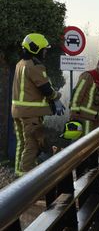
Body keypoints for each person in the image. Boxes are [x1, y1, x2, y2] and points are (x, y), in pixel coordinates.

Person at [10, 33, 63, 176]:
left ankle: (18, 173)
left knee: (22, 143)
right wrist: (57, 97)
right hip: (31, 114)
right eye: (44, 49)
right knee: (32, 145)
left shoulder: (20, 64)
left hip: (18, 112)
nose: (45, 51)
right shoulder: (35, 66)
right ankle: (26, 180)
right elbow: (46, 89)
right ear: (36, 49)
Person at [69, 55, 99, 137]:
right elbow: (77, 94)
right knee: (83, 147)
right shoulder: (88, 76)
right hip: (84, 119)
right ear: (98, 64)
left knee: (94, 147)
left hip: (98, 122)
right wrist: (73, 115)